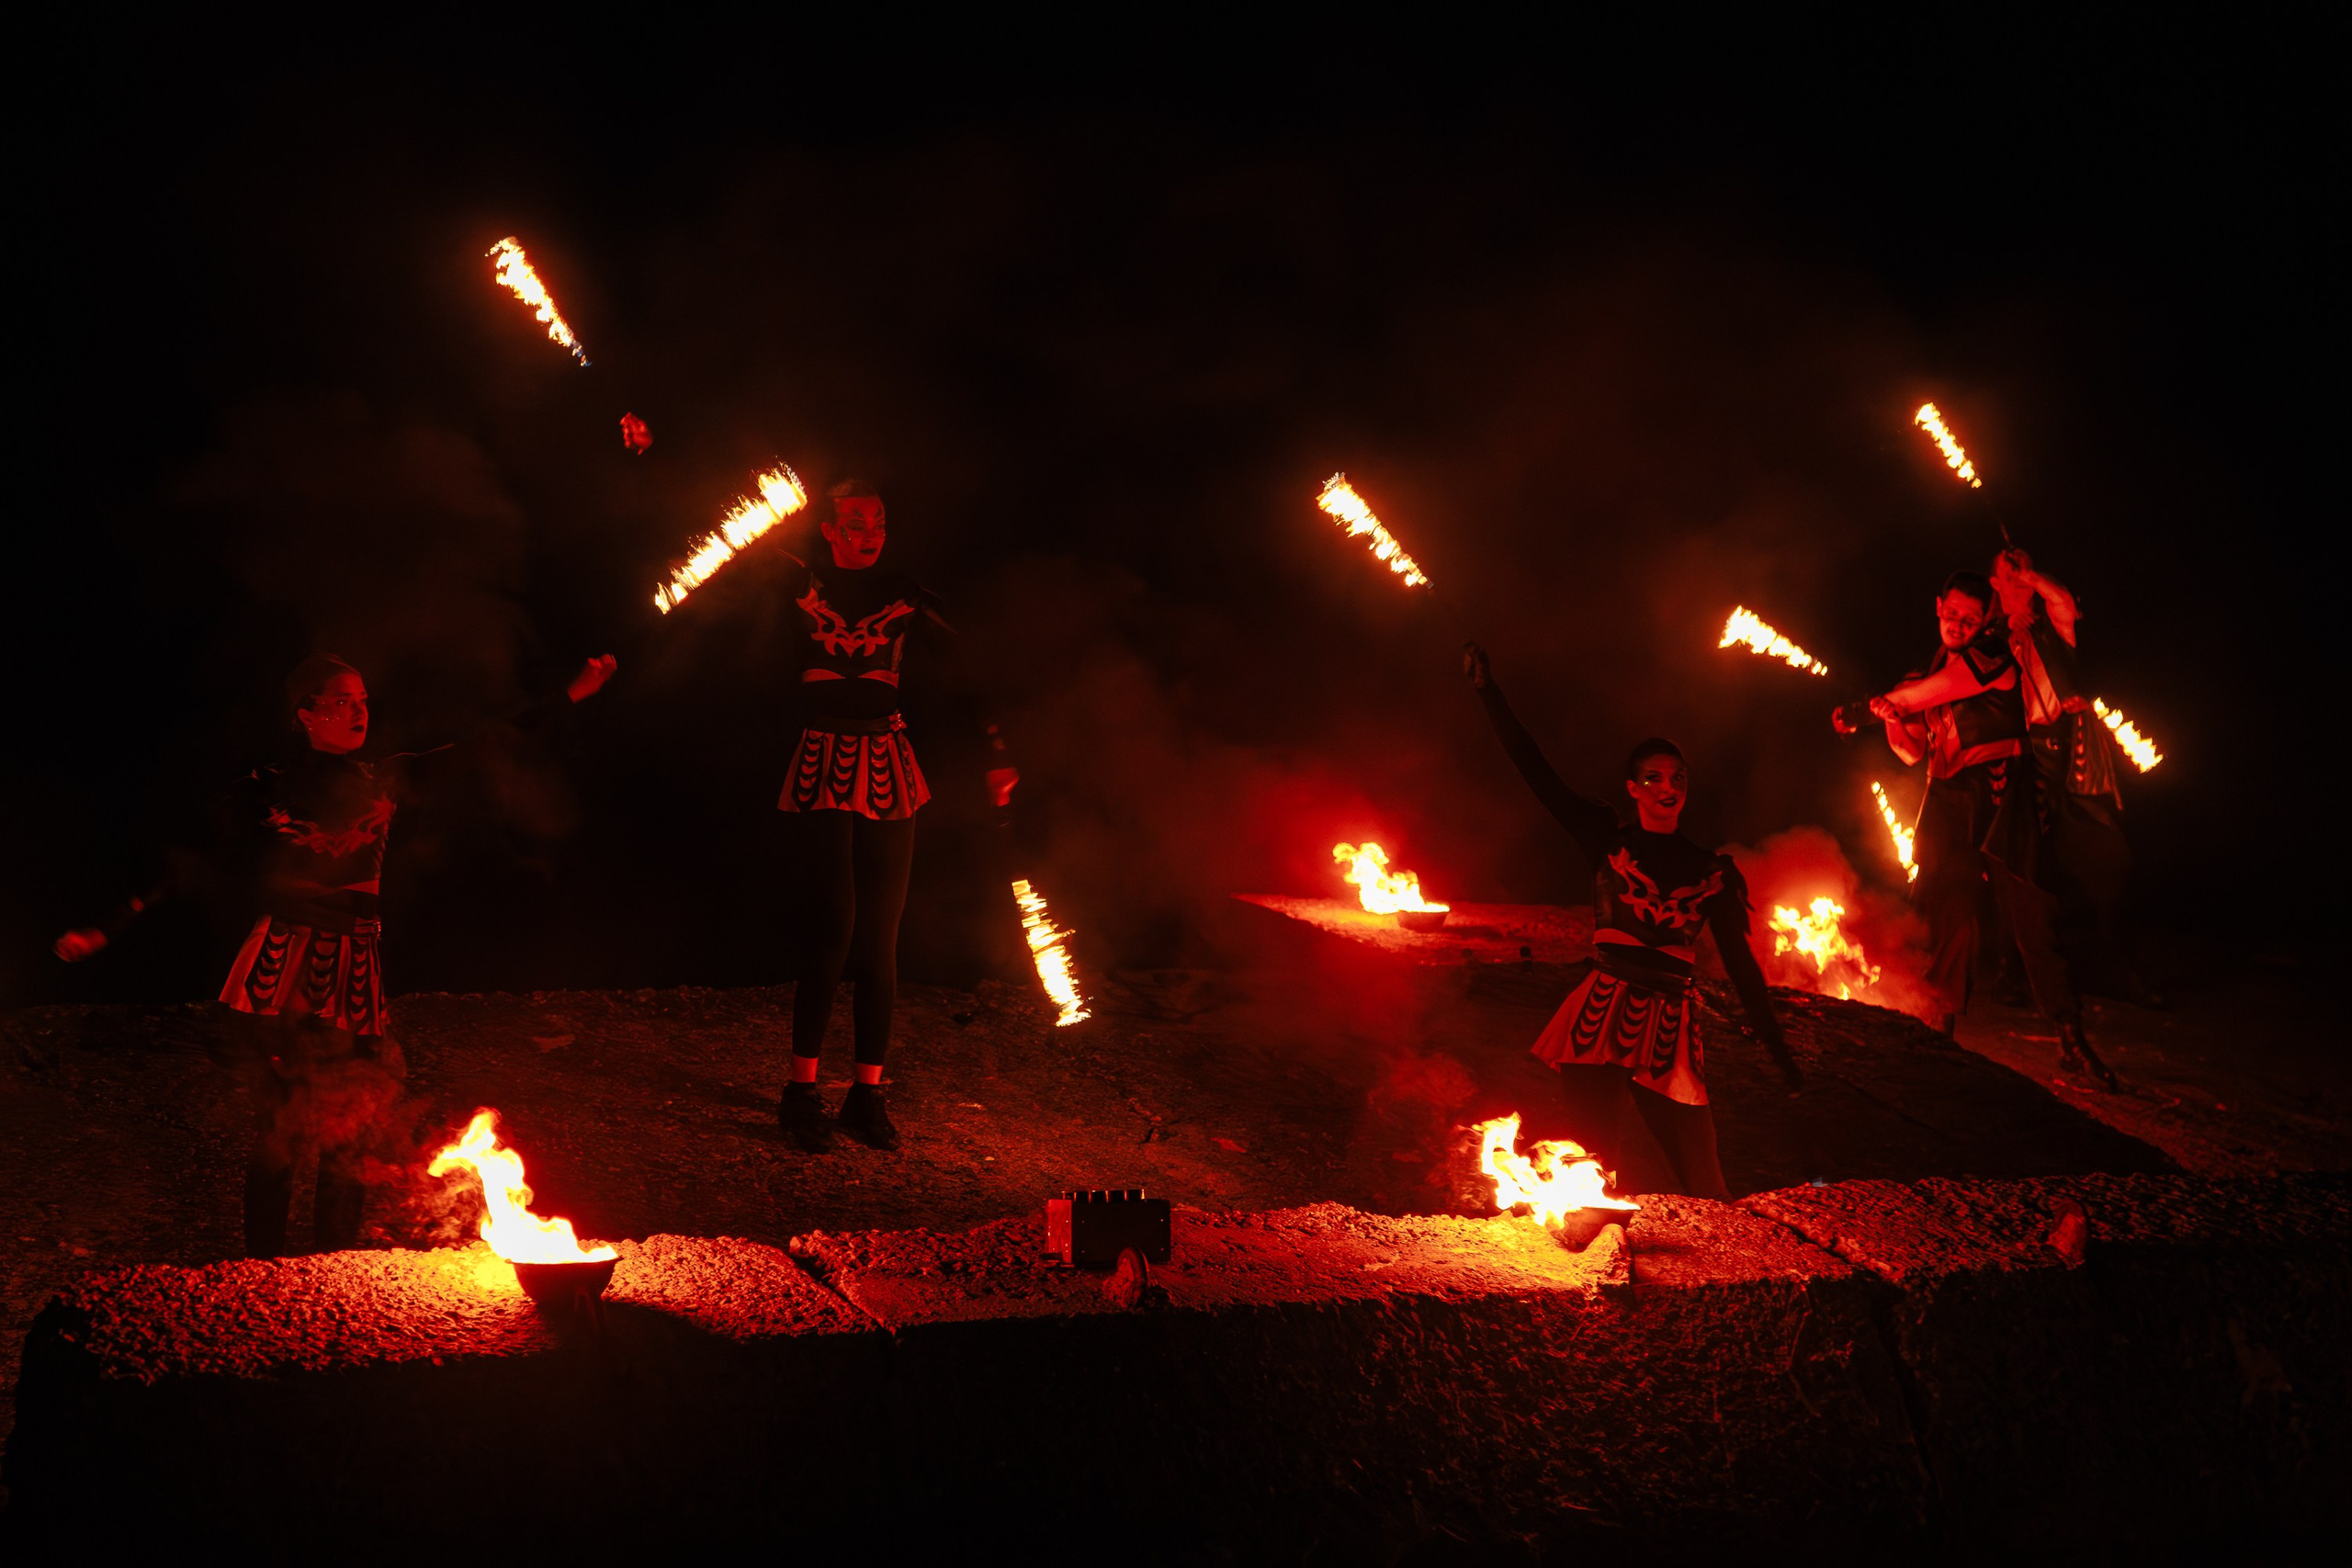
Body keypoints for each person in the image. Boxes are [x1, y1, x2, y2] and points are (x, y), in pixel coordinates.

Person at [54, 651, 616, 1256]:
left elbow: (485, 745)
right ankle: (263, 1268)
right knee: (282, 1128)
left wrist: (572, 694)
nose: (358, 711)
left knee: (348, 1130)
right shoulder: (263, 788)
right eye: (341, 701)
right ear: (306, 714)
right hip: (281, 967)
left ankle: (334, 1270)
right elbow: (187, 861)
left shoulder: (384, 779)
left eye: (363, 701)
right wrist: (107, 928)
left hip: (356, 970)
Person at [1464, 641, 1800, 1201]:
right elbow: (1535, 769)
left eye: (1677, 778)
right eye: (1654, 778)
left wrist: (1777, 1047)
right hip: (1601, 1013)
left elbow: (1741, 966)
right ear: (1633, 788)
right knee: (1595, 1172)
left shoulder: (1710, 870)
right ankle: (1599, 1274)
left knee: (1705, 1181)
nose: (1668, 788)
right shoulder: (1604, 838)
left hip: (1672, 1025)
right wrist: (1488, 693)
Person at [764, 479, 1015, 1154]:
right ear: (828, 529)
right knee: (833, 925)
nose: (869, 532)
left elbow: (967, 669)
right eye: (853, 521)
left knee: (882, 934)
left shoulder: (907, 596)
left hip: (887, 762)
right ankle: (800, 1092)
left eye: (877, 521)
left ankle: (867, 1095)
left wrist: (996, 753)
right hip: (822, 758)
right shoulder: (796, 582)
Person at [1835, 570, 2117, 1088]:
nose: (1960, 624)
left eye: (1970, 617)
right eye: (1952, 614)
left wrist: (1874, 710)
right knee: (1951, 917)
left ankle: (2072, 1041)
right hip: (1945, 802)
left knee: (2034, 921)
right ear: (1937, 606)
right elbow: (1912, 750)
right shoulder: (1924, 675)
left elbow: (1939, 691)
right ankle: (1938, 1038)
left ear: (1982, 618)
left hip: (2001, 794)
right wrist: (1890, 716)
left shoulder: (1990, 656)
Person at [1989, 547, 2157, 1006]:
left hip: (2070, 755)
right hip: (2019, 761)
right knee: (2017, 865)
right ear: (1994, 585)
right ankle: (2014, 972)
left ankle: (2117, 969)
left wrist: (2031, 578)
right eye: (2011, 572)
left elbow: (2061, 601)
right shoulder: (1993, 636)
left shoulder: (2052, 625)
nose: (2021, 578)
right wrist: (2007, 628)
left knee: (2110, 859)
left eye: (2026, 569)